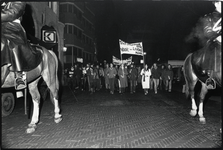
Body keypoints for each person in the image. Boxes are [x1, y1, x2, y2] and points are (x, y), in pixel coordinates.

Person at [1, 1, 42, 90]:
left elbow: (12, 13)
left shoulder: (19, 2)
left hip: (12, 29)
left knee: (9, 43)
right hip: (1, 27)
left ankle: (19, 75)